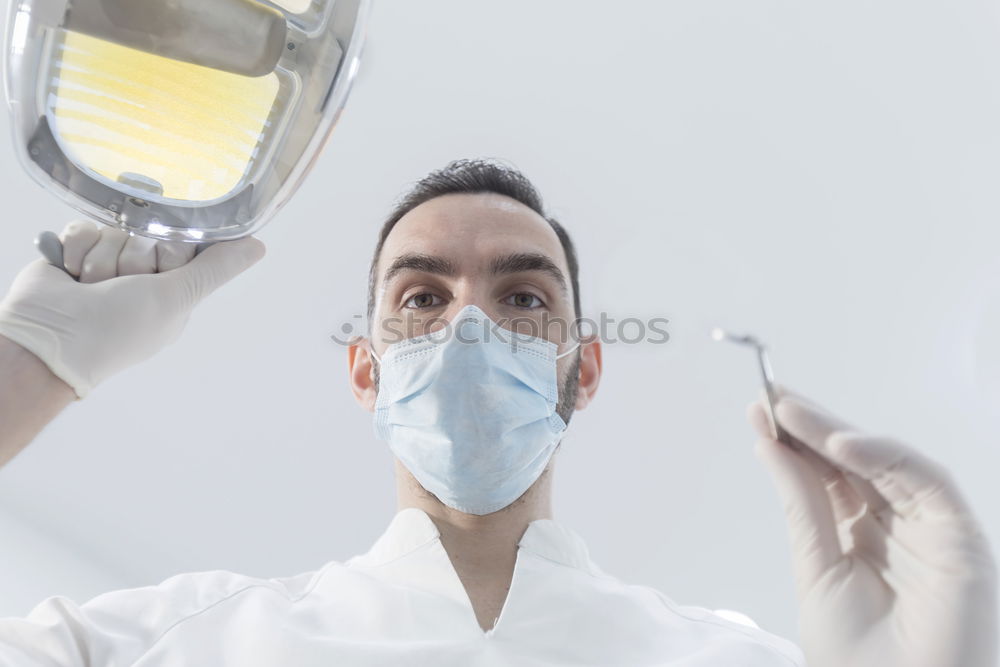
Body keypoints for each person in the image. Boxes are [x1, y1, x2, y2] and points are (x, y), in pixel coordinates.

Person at [0, 159, 995, 666]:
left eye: (523, 297)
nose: (468, 326)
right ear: (366, 370)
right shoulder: (168, 643)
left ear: (584, 369)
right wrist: (28, 369)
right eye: (422, 297)